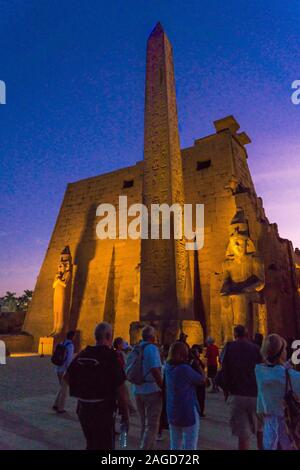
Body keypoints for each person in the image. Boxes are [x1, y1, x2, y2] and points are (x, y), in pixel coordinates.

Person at [63, 322, 129, 450]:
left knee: (91, 443)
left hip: (83, 408)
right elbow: (121, 390)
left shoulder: (84, 353)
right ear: (109, 336)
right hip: (102, 409)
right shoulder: (111, 357)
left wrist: (84, 389)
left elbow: (66, 377)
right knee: (105, 445)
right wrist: (125, 416)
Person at [221, 324, 263, 450]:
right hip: (256, 395)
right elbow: (262, 370)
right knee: (261, 431)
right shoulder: (256, 348)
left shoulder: (229, 348)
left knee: (243, 437)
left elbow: (224, 371)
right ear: (247, 334)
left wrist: (226, 393)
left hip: (237, 395)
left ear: (235, 335)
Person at [255, 334, 300, 450]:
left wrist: (285, 367)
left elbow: (274, 371)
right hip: (287, 427)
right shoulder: (290, 376)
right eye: (284, 349)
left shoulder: (259, 371)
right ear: (280, 353)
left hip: (269, 425)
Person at [165, 341, 204, 450]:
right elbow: (202, 380)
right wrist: (196, 362)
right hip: (188, 410)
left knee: (175, 444)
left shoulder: (168, 367)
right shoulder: (184, 369)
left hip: (173, 409)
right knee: (190, 444)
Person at [133, 325, 163, 450]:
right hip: (151, 390)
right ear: (152, 336)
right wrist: (163, 387)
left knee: (144, 424)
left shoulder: (136, 347)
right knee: (152, 425)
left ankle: (145, 445)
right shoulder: (151, 348)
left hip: (137, 389)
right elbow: (155, 370)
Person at [52, 330, 75, 413]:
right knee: (64, 388)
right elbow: (69, 359)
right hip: (64, 370)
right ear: (72, 337)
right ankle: (60, 408)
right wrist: (70, 370)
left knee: (62, 386)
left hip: (58, 368)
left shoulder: (62, 343)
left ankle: (56, 404)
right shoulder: (70, 346)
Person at [190, 344, 206, 417]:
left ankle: (200, 411)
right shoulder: (193, 362)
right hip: (197, 382)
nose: (198, 353)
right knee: (199, 396)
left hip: (200, 381)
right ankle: (198, 411)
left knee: (201, 397)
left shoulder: (197, 361)